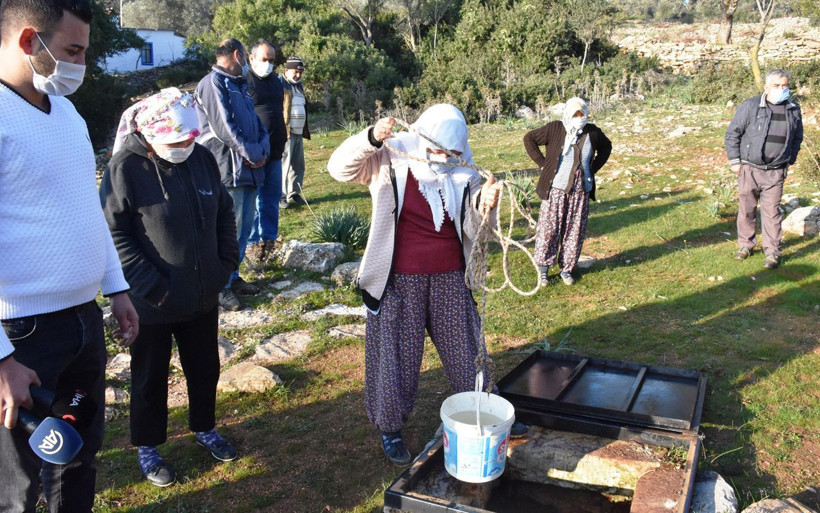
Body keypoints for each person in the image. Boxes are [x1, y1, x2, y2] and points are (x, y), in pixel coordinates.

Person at [0, 0, 140, 509]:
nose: (80, 65)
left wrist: (116, 286)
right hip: (22, 338)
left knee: (76, 457)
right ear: (27, 40)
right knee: (17, 485)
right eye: (72, 50)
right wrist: (2, 359)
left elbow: (87, 209)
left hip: (81, 323)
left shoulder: (68, 113)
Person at [327, 104, 514, 467]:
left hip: (450, 278)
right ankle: (391, 428)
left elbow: (474, 224)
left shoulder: (464, 169)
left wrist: (485, 203)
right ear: (422, 139)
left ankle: (484, 412)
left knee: (467, 353)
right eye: (437, 150)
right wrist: (370, 138)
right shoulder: (390, 157)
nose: (443, 158)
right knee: (397, 359)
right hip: (398, 279)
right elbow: (339, 168)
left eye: (451, 153)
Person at [99, 89, 240, 487]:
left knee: (204, 367)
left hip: (202, 293)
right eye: (176, 141)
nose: (184, 146)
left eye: (190, 138)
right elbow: (115, 234)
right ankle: (148, 446)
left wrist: (225, 264)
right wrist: (150, 286)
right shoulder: (125, 168)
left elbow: (224, 211)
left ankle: (205, 428)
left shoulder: (201, 157)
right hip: (151, 301)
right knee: (149, 377)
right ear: (153, 134)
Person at [195, 38, 270, 310]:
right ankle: (220, 287)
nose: (249, 64)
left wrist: (262, 151)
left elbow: (258, 125)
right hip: (229, 170)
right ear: (238, 55)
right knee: (229, 229)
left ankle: (233, 276)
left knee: (244, 229)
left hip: (249, 170)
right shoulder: (213, 84)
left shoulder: (240, 86)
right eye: (246, 58)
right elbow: (223, 128)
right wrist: (252, 154)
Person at [523, 97, 611, 286]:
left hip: (581, 191)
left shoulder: (593, 133)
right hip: (556, 189)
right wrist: (543, 164)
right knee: (549, 229)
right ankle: (544, 270)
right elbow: (529, 138)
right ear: (568, 115)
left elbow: (607, 147)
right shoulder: (555, 128)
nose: (579, 117)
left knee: (575, 230)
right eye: (575, 114)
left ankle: (567, 269)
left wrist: (592, 169)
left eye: (582, 114)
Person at [725, 69, 803, 269]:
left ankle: (772, 252)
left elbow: (797, 138)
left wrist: (789, 160)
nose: (782, 89)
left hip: (776, 171)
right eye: (777, 86)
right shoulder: (750, 106)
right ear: (766, 87)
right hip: (749, 169)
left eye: (785, 85)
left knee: (772, 212)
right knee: (747, 209)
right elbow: (733, 133)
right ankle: (746, 245)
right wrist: (735, 161)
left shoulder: (793, 108)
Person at [246, 39, 288, 266]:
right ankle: (252, 247)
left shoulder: (275, 81)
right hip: (254, 153)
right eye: (265, 59)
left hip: (276, 151)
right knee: (252, 202)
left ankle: (270, 243)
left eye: (272, 60)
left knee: (271, 199)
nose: (269, 64)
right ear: (251, 58)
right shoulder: (244, 82)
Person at [279, 56, 311, 209]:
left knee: (298, 164)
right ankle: (281, 196)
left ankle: (294, 193)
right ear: (286, 71)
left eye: (300, 72)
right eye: (295, 71)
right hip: (287, 131)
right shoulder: (280, 84)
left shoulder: (299, 86)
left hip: (298, 131)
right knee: (284, 164)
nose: (298, 75)